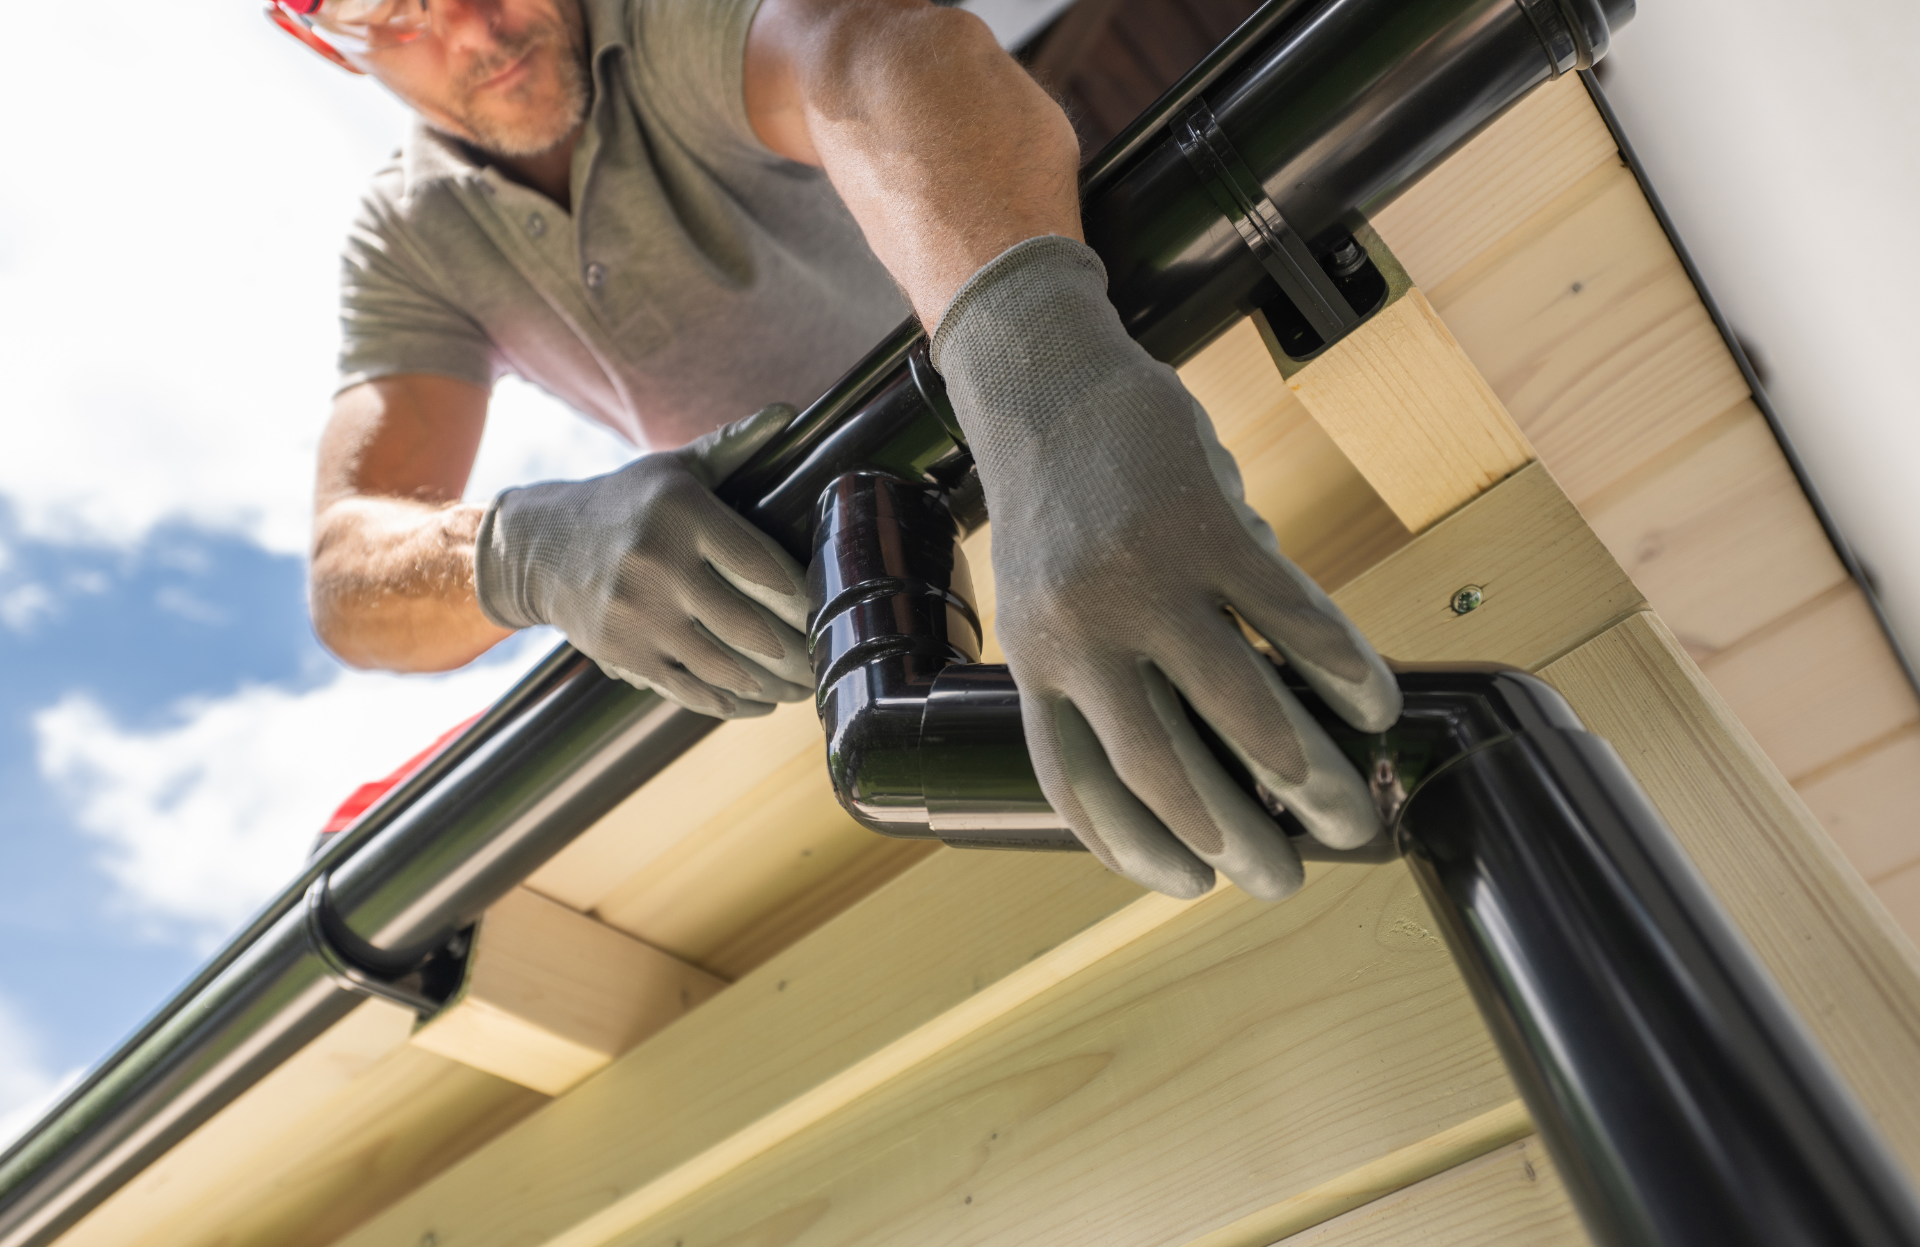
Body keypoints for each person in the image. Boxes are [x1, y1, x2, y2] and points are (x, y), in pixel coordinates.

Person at [291, 0, 1402, 903]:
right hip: (845, 572)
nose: (476, 31)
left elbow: (870, 50)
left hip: (1071, 411)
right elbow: (350, 568)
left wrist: (1040, 381)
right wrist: (518, 548)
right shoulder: (408, 239)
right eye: (397, 15)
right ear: (318, 42)